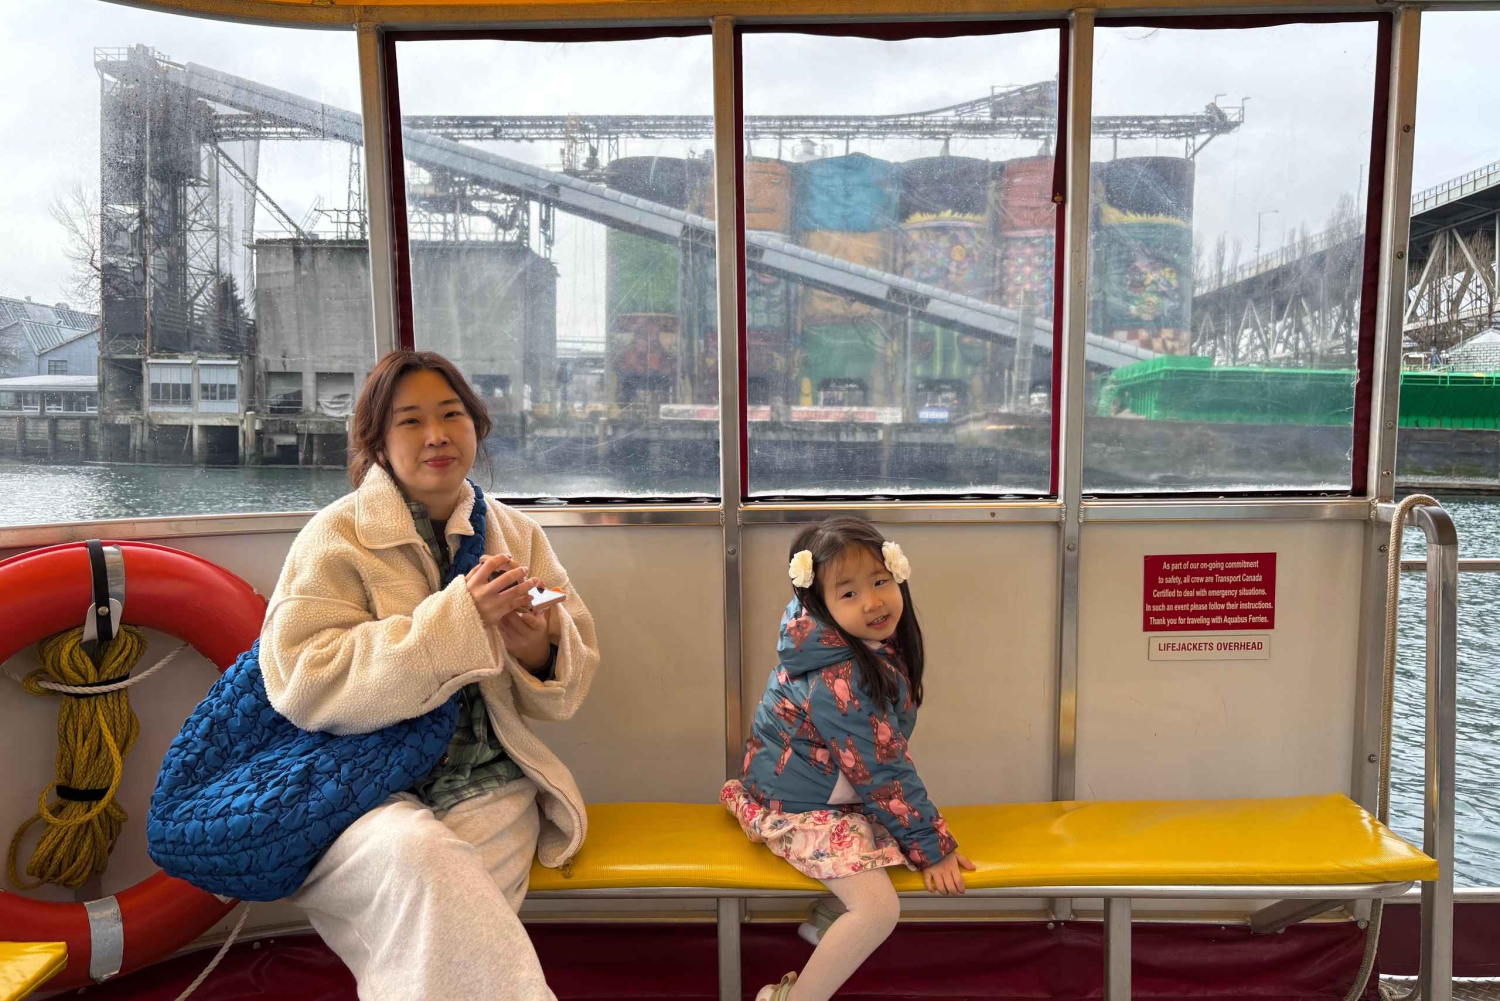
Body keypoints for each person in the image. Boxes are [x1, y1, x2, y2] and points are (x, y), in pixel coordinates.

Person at [258, 350, 599, 1001]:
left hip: (486, 781)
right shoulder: (334, 537)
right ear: (378, 443)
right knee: (425, 861)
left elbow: (569, 681)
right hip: (356, 788)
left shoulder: (517, 536)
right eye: (411, 421)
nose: (437, 435)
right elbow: (303, 681)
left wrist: (538, 648)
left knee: (446, 932)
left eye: (451, 415)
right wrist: (458, 620)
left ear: (476, 425)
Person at [721, 517, 973, 1001]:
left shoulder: (843, 641)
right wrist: (933, 846)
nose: (872, 602)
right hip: (798, 808)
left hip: (818, 790)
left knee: (893, 838)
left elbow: (880, 757)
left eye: (879, 581)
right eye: (849, 592)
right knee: (879, 909)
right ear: (820, 603)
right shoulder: (838, 673)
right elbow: (880, 769)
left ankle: (828, 919)